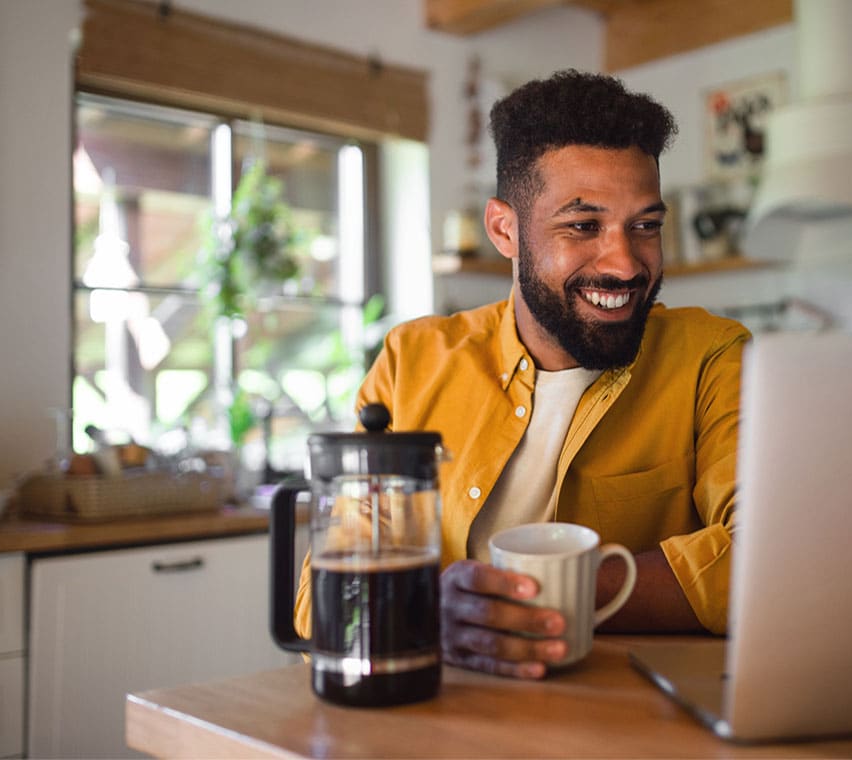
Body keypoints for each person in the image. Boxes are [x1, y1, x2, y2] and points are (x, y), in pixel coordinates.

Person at [295, 69, 750, 679]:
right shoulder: (413, 361)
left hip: (630, 722)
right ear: (505, 230)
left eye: (645, 226)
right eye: (583, 226)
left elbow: (767, 557)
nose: (624, 262)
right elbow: (324, 593)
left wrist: (544, 593)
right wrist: (429, 610)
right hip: (436, 714)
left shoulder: (712, 356)